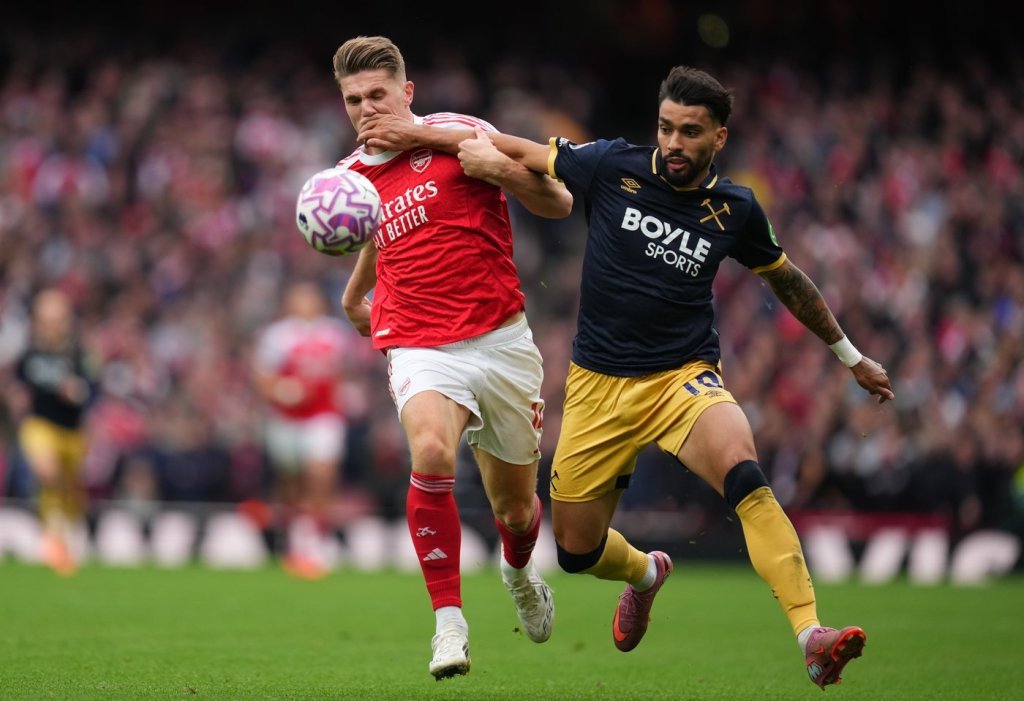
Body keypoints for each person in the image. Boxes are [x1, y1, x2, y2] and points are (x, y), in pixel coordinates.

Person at [358, 64, 896, 689]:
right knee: (576, 550)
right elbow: (515, 148)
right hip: (597, 387)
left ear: (718, 137)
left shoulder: (737, 209)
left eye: (690, 132)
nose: (674, 143)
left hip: (682, 379)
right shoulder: (614, 165)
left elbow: (789, 281)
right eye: (666, 128)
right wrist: (419, 135)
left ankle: (811, 635)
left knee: (744, 471)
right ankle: (646, 572)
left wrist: (851, 357)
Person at [330, 35, 573, 680]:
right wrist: (355, 294)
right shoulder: (349, 178)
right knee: (432, 451)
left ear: (406, 92)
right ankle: (448, 624)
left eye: (377, 94)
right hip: (418, 341)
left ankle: (518, 573)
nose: (366, 109)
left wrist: (439, 146)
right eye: (353, 100)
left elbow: (558, 202)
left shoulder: (462, 133)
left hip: (500, 339)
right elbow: (379, 233)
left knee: (516, 510)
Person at [252, 280, 354, 580]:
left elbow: (343, 373)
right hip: (286, 420)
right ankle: (291, 539)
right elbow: (262, 377)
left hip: (323, 416)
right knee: (290, 483)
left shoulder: (335, 333)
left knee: (321, 476)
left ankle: (317, 541)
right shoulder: (277, 336)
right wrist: (281, 390)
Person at [11, 288, 101, 576]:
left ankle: (65, 539)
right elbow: (18, 386)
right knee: (47, 472)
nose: (51, 326)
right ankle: (52, 539)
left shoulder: (79, 355)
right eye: (45, 320)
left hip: (72, 432)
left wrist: (79, 392)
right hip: (40, 425)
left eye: (56, 320)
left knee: (71, 493)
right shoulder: (29, 354)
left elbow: (94, 389)